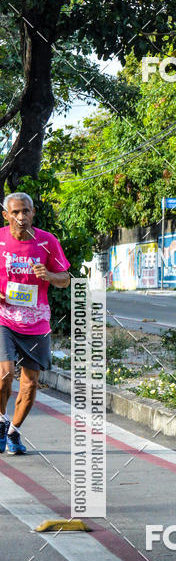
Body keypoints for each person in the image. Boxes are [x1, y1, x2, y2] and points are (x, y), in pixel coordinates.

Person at [0, 192, 70, 454]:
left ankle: (13, 431)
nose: (21, 217)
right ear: (6, 215)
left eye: (26, 211)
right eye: (16, 212)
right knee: (4, 375)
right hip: (3, 318)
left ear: (33, 213)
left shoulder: (47, 242)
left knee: (30, 385)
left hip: (36, 321)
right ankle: (0, 421)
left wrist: (50, 275)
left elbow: (66, 278)